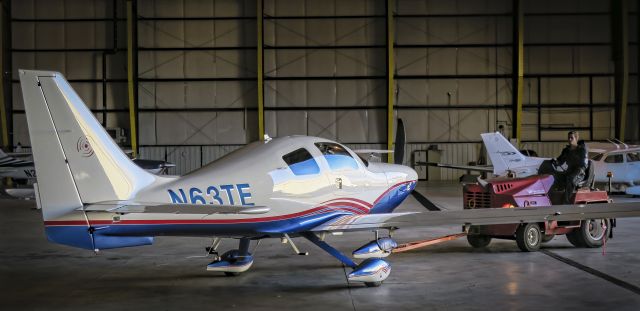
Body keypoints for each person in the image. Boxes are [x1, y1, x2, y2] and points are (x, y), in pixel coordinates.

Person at [554, 131, 588, 204]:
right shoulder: (566, 150)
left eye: (571, 138)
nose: (569, 139)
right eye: (568, 138)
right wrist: (555, 162)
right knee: (555, 176)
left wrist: (573, 156)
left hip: (580, 171)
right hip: (570, 170)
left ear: (576, 138)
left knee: (570, 178)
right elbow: (560, 160)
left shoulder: (582, 150)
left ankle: (566, 201)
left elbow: (583, 164)